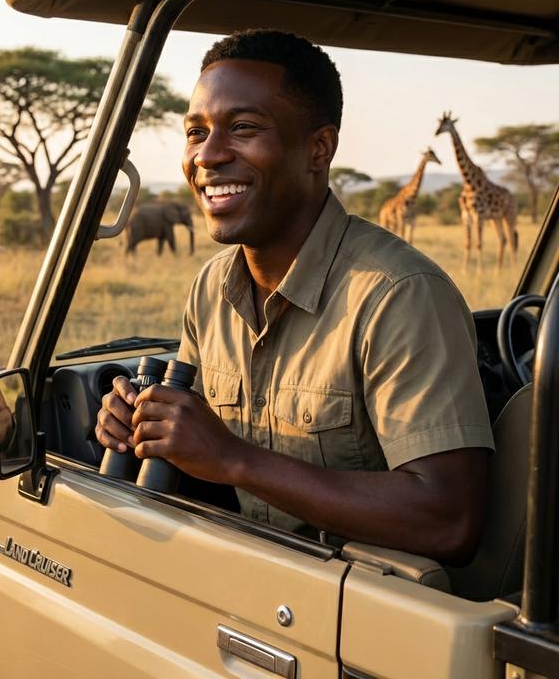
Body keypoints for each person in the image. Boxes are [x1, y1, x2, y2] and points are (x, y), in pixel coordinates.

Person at [96, 30, 493, 565]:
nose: (207, 156)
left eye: (242, 128)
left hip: (359, 615)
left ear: (318, 148)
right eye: (195, 132)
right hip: (248, 576)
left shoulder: (397, 295)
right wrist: (146, 425)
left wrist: (236, 460)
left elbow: (448, 520)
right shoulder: (211, 288)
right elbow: (199, 442)